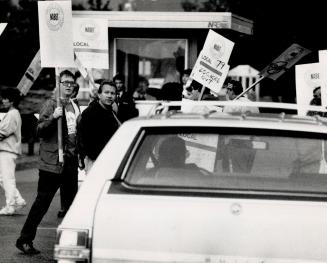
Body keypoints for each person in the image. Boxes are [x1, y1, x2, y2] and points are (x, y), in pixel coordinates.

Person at [16, 70, 80, 255]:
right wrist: (54, 117)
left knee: (71, 206)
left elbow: (76, 134)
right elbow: (39, 131)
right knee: (41, 204)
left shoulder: (74, 105)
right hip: (51, 163)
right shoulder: (51, 104)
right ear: (58, 84)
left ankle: (70, 244)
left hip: (70, 162)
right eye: (65, 82)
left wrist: (80, 157)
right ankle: (24, 240)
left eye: (72, 83)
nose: (69, 85)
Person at [78, 80, 121, 174]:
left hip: (109, 161)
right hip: (96, 162)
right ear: (99, 94)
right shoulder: (90, 113)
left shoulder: (111, 111)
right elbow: (85, 141)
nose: (109, 96)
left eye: (112, 93)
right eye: (106, 92)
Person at [0, 88, 26, 215]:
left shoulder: (12, 114)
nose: (3, 100)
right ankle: (18, 200)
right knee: (2, 178)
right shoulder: (13, 113)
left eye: (5, 98)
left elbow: (2, 132)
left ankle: (10, 205)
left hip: (8, 150)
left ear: (11, 101)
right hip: (7, 150)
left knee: (7, 179)